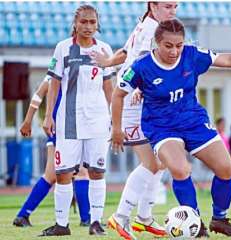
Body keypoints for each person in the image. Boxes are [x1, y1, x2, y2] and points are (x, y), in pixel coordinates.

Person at [112, 18, 231, 237]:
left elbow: (227, 59)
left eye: (179, 45)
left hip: (193, 120)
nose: (174, 51)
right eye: (168, 46)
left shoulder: (192, 55)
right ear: (156, 44)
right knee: (180, 169)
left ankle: (219, 219)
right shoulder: (141, 67)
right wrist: (116, 129)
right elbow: (118, 95)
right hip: (161, 127)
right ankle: (195, 223)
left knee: (226, 169)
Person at [90, 2, 177, 239]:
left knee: (161, 161)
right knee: (152, 163)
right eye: (168, 6)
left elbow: (126, 53)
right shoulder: (150, 30)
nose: (173, 11)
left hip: (141, 100)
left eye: (176, 6)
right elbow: (138, 64)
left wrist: (107, 61)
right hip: (132, 101)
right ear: (153, 5)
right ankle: (120, 217)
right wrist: (141, 87)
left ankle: (144, 217)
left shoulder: (148, 26)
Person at [40, 4, 114, 236]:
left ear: (97, 24)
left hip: (98, 120)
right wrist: (48, 115)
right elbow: (53, 84)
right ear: (75, 23)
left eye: (93, 22)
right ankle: (62, 225)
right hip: (68, 121)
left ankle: (96, 222)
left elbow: (109, 86)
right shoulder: (63, 48)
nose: (88, 26)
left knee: (97, 172)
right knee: (62, 173)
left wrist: (115, 118)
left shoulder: (103, 49)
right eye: (84, 22)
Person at [13, 75, 91, 228]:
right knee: (82, 172)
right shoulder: (70, 69)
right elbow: (39, 94)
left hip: (56, 127)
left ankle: (23, 215)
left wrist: (28, 120)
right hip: (69, 126)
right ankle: (87, 219)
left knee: (50, 175)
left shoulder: (56, 71)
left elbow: (38, 95)